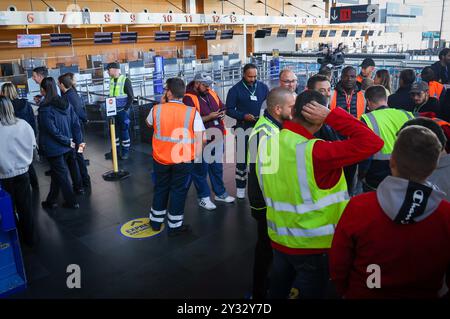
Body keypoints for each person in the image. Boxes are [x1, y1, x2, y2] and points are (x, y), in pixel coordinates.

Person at [256, 90, 383, 299]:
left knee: (277, 293)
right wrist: (333, 116)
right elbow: (373, 142)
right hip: (313, 247)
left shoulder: (267, 143)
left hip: (279, 239)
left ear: (293, 112)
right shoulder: (317, 152)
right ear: (320, 119)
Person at [330, 125, 450, 299]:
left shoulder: (359, 207)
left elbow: (339, 263)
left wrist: (346, 290)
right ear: (433, 167)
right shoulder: (445, 215)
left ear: (392, 161)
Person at [247, 87, 295, 299]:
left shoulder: (275, 126)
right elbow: (266, 176)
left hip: (270, 201)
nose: (294, 111)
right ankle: (259, 292)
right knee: (265, 250)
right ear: (277, 108)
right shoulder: (265, 133)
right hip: (265, 203)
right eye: (291, 107)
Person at [146, 78, 204, 236]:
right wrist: (196, 159)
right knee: (179, 191)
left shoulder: (156, 109)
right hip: (184, 160)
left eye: (166, 90)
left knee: (160, 188)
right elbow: (200, 138)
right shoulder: (193, 113)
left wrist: (161, 103)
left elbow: (149, 123)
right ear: (183, 93)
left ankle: (156, 222)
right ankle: (174, 226)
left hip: (160, 159)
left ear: (169, 92)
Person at [183, 72, 234, 210]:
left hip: (217, 136)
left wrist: (223, 112)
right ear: (197, 84)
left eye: (209, 85)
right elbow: (190, 121)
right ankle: (203, 198)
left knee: (217, 168)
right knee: (200, 171)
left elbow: (222, 105)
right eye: (205, 85)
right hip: (201, 140)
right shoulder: (188, 98)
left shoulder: (210, 92)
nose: (208, 88)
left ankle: (220, 193)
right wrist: (209, 117)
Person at [359, 85, 415, 191]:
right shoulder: (407, 115)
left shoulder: (367, 119)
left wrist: (361, 174)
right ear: (385, 99)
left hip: (378, 176)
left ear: (368, 102)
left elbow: (365, 154)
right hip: (406, 172)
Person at [226, 63, 269, 199]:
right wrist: (243, 115)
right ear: (243, 74)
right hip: (243, 127)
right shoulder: (235, 90)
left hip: (260, 127)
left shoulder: (263, 87)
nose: (252, 79)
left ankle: (260, 185)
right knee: (242, 159)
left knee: (260, 157)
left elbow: (268, 105)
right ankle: (240, 186)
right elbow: (229, 109)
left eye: (255, 76)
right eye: (250, 76)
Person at [39, 77, 81, 210]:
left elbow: (52, 131)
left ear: (43, 90)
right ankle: (51, 200)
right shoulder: (65, 103)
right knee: (58, 174)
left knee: (61, 176)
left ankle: (72, 202)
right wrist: (74, 141)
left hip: (55, 148)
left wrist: (67, 141)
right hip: (67, 146)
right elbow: (75, 123)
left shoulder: (45, 109)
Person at [0, 96, 36, 246]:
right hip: (23, 173)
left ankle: (14, 241)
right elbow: (33, 146)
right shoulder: (24, 125)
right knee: (25, 207)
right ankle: (30, 239)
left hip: (3, 176)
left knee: (8, 209)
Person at [1, 82, 39, 190]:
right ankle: (35, 185)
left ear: (4, 92)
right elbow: (32, 121)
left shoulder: (5, 107)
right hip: (26, 136)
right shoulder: (25, 104)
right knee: (28, 163)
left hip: (10, 139)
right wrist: (34, 137)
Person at [58, 73, 91, 194]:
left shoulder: (69, 96)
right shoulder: (71, 93)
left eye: (58, 83)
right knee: (79, 155)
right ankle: (85, 180)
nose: (58, 85)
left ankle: (84, 181)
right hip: (78, 132)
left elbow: (78, 111)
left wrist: (84, 118)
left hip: (75, 132)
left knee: (78, 155)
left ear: (62, 84)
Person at [104, 62, 134, 160]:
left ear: (114, 69)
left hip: (122, 111)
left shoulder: (125, 80)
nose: (107, 72)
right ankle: (115, 151)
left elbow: (131, 96)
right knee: (113, 131)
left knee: (124, 131)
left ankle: (125, 152)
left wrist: (125, 110)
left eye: (108, 70)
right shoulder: (111, 80)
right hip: (112, 111)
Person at [306, 74, 339, 142]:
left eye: (329, 90)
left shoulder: (331, 114)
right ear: (310, 92)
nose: (328, 94)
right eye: (322, 90)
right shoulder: (306, 118)